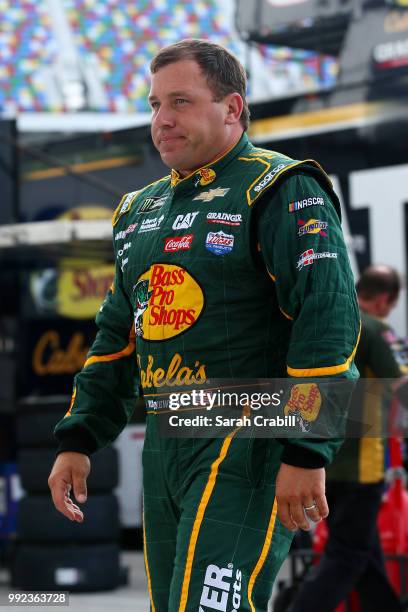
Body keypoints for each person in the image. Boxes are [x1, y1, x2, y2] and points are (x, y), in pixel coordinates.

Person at [48, 39, 360, 611]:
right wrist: (80, 437)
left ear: (232, 107)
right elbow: (117, 334)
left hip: (252, 436)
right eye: (153, 104)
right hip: (168, 441)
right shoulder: (137, 208)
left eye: (181, 102)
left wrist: (308, 450)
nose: (161, 120)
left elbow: (327, 318)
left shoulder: (281, 187)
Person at [288, 265, 404, 612]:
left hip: (319, 462)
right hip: (361, 470)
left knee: (366, 554)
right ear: (384, 300)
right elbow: (402, 388)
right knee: (348, 557)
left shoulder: (327, 325)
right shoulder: (377, 331)